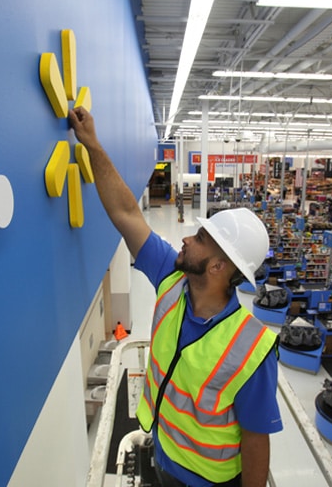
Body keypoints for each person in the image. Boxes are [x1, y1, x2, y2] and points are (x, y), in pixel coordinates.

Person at [69, 107, 282, 487]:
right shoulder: (171, 278)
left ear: (218, 267)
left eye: (200, 239)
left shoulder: (252, 348)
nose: (186, 237)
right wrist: (92, 145)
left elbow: (255, 440)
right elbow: (125, 213)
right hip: (163, 458)